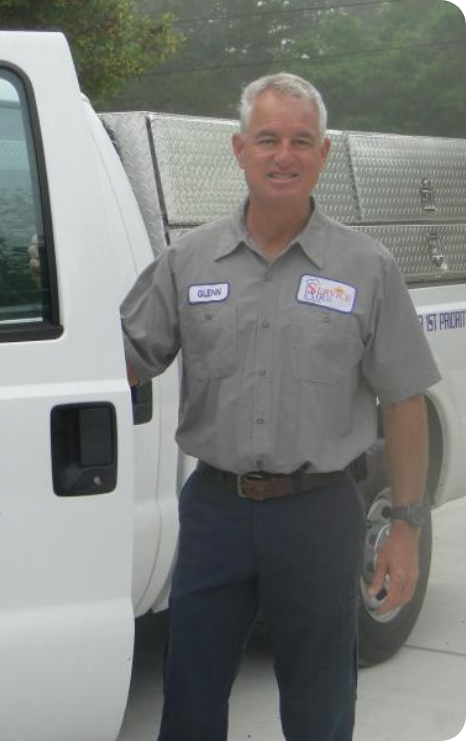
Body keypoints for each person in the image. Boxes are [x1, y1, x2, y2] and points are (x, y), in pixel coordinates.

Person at [120, 72, 441, 741]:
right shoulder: (187, 261)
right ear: (239, 150)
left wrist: (405, 527)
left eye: (300, 140)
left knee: (320, 702)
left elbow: (403, 399)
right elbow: (124, 361)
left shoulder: (366, 267)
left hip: (320, 515)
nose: (283, 154)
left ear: (322, 153)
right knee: (190, 694)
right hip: (215, 509)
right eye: (267, 139)